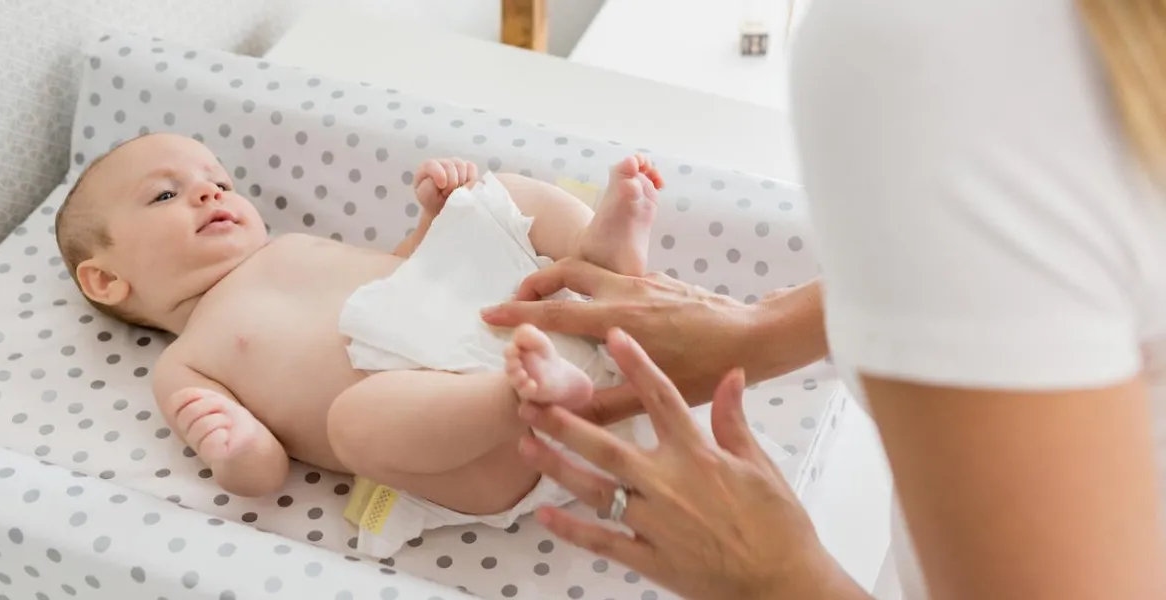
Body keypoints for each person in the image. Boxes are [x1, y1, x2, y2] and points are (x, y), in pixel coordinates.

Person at [479, 0, 1166, 598]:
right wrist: (772, 327)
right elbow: (1051, 251)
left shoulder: (940, 58)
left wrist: (779, 581)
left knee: (417, 416)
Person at [53, 131, 673, 557]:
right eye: (166, 194)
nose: (212, 193)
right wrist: (233, 448)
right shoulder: (184, 363)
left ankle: (603, 262)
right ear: (107, 279)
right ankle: (518, 397)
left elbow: (405, 269)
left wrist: (437, 217)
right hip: (472, 444)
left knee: (497, 194)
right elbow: (263, 471)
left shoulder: (290, 247)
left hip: (507, 320)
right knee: (353, 424)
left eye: (219, 181)